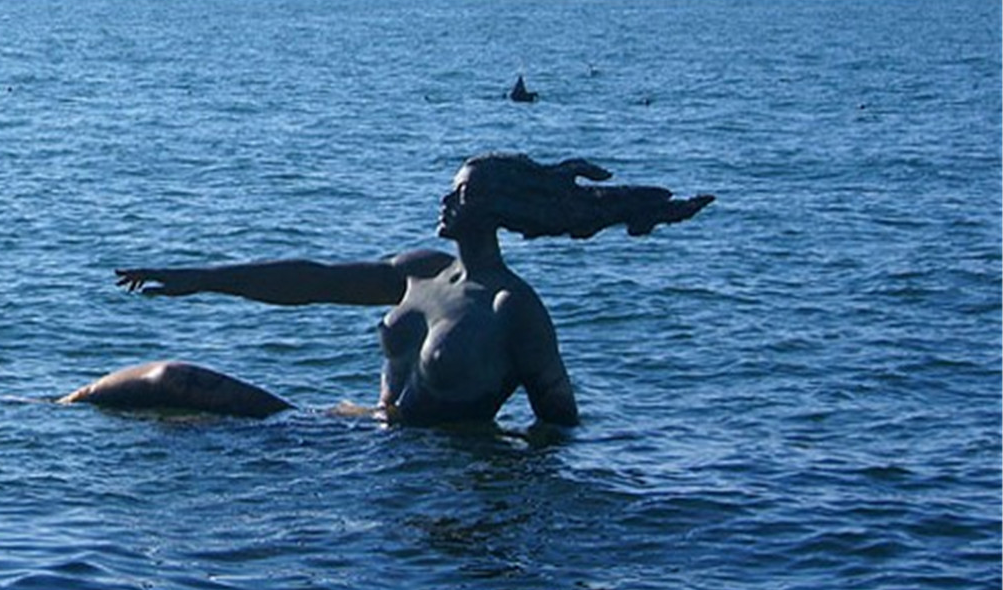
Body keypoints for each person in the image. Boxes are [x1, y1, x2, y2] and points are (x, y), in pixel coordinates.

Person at [61, 153, 712, 428]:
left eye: (461, 194)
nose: (446, 200)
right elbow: (311, 281)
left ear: (493, 208)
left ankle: (39, 411)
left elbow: (558, 425)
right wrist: (200, 279)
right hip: (353, 433)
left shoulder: (513, 308)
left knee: (172, 384)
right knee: (164, 380)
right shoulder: (423, 270)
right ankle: (42, 407)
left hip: (419, 468)